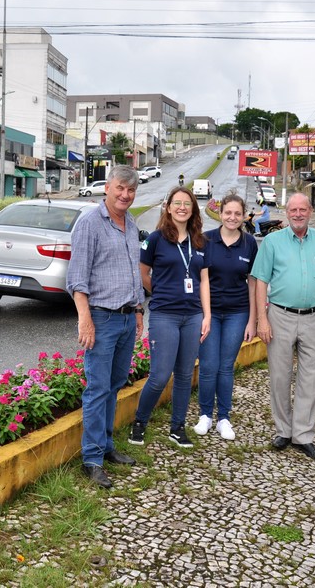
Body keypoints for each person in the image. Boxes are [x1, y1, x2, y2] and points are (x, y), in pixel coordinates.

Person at [66, 165, 147, 489]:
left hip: (128, 318)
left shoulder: (130, 224)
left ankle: (108, 445)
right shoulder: (89, 224)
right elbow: (77, 277)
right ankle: (92, 458)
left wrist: (139, 310)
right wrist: (84, 319)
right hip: (101, 318)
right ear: (107, 188)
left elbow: (133, 271)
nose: (125, 195)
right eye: (120, 189)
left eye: (130, 191)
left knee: (114, 385)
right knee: (98, 388)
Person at [251, 193, 315, 461]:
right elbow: (260, 281)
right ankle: (283, 430)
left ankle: (303, 435)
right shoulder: (272, 242)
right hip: (280, 315)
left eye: (303, 209)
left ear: (311, 211)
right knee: (280, 375)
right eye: (293, 209)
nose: (298, 214)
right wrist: (262, 318)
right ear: (287, 212)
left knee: (310, 378)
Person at [129, 186, 211, 449]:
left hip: (193, 316)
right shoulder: (155, 239)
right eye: (177, 203)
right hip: (165, 315)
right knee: (160, 375)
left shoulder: (200, 242)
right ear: (168, 207)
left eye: (187, 204)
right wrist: (161, 291)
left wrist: (207, 315)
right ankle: (140, 422)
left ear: (193, 209)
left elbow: (204, 281)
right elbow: (142, 273)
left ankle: (177, 428)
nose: (182, 208)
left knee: (185, 375)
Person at [194, 194, 258, 441]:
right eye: (228, 213)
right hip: (209, 313)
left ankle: (223, 418)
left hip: (237, 312)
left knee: (225, 366)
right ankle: (205, 415)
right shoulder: (206, 240)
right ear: (220, 214)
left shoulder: (249, 243)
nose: (232, 218)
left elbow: (253, 282)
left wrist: (252, 319)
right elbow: (201, 279)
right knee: (208, 365)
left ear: (243, 216)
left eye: (237, 214)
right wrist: (203, 314)